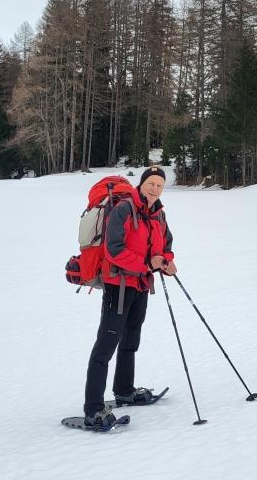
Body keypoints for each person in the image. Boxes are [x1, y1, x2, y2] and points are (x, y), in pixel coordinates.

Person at [83, 166, 177, 428]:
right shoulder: (123, 209)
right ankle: (93, 409)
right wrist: (147, 263)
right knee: (106, 345)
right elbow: (113, 250)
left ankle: (124, 390)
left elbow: (166, 245)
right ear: (142, 184)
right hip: (118, 285)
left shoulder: (158, 214)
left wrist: (167, 262)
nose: (155, 189)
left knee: (131, 340)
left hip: (141, 285)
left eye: (159, 185)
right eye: (151, 183)